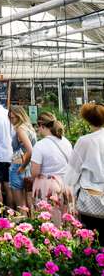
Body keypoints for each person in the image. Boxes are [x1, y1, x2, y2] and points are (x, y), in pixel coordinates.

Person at [64, 103, 104, 245]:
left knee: (91, 240)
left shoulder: (85, 141)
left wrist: (69, 190)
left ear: (87, 119)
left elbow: (73, 171)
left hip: (91, 201)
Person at [31, 112, 74, 224]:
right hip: (65, 184)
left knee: (48, 221)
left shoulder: (40, 145)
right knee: (65, 219)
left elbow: (34, 172)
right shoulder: (66, 142)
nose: (37, 130)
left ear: (42, 126)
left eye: (37, 126)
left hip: (47, 187)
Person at [8, 106, 37, 210]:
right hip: (29, 166)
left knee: (20, 205)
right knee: (29, 202)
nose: (11, 120)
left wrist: (22, 167)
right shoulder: (29, 127)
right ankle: (33, 224)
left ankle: (23, 225)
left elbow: (30, 150)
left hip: (19, 166)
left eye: (12, 118)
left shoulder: (20, 129)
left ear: (19, 116)